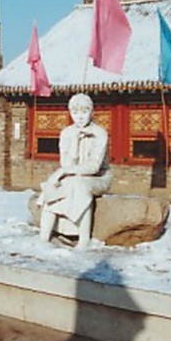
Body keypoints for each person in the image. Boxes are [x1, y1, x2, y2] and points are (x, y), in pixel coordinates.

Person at [37, 93, 112, 248]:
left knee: (80, 185)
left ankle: (83, 238)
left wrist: (62, 172)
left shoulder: (99, 133)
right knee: (54, 186)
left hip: (98, 177)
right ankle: (44, 237)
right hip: (72, 175)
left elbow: (93, 167)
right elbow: (66, 163)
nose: (80, 117)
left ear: (92, 112)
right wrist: (75, 143)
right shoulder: (67, 133)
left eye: (84, 111)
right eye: (75, 112)